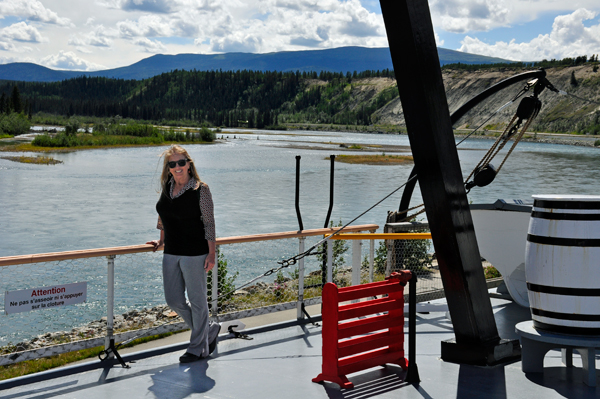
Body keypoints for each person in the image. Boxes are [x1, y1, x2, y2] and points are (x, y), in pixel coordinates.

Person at [147, 144, 220, 363]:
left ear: (189, 164)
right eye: (173, 164)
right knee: (174, 300)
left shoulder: (201, 189)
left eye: (181, 162)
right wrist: (161, 240)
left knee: (198, 302)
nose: (177, 167)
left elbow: (209, 223)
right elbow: (163, 216)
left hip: (195, 254)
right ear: (168, 168)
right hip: (171, 252)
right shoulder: (167, 187)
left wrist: (211, 254)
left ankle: (198, 348)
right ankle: (208, 330)